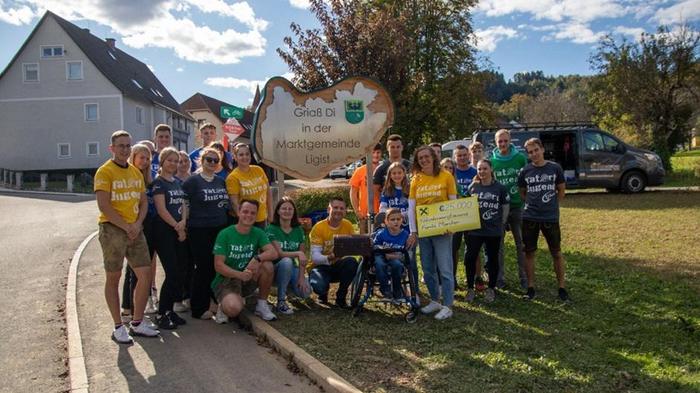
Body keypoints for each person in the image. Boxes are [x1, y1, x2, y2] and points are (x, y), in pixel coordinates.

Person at [95, 130, 159, 344]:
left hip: (135, 229)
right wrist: (126, 226)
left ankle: (138, 322)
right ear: (112, 148)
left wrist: (137, 224)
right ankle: (117, 326)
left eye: (127, 146)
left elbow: (143, 201)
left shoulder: (134, 173)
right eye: (120, 146)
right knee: (113, 278)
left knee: (145, 274)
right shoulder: (104, 172)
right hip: (112, 229)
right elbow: (104, 205)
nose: (124, 149)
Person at [408, 145, 457, 320]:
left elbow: (453, 202)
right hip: (424, 230)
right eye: (420, 158)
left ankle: (448, 305)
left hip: (443, 230)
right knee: (428, 268)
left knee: (445, 269)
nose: (424, 160)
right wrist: (413, 231)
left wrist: (451, 224)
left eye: (426, 157)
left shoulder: (446, 176)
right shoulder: (416, 180)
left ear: (433, 157)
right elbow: (411, 208)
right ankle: (435, 300)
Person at [517, 138, 568, 301]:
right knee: (529, 253)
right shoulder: (525, 171)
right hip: (530, 217)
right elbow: (522, 193)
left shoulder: (555, 168)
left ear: (542, 149)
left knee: (557, 253)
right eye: (530, 152)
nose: (534, 154)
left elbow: (561, 191)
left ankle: (561, 287)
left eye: (536, 150)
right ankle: (530, 287)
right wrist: (533, 204)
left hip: (550, 217)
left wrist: (551, 206)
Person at [182, 147, 230, 319]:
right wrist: (182, 223)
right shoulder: (192, 181)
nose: (211, 163)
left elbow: (226, 203)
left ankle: (213, 303)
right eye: (208, 159)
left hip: (219, 228)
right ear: (201, 161)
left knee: (215, 267)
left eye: (215, 160)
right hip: (198, 229)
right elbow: (182, 202)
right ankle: (198, 307)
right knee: (202, 268)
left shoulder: (220, 181)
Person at [212, 200, 279, 321]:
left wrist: (257, 258)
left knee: (267, 265)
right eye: (245, 211)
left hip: (247, 276)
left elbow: (273, 253)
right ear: (239, 212)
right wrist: (239, 275)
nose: (249, 215)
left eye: (253, 213)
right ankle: (223, 305)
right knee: (233, 309)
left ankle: (261, 305)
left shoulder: (258, 233)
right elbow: (218, 266)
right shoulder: (225, 234)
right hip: (227, 280)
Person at [151, 147, 189, 329]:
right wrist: (176, 225)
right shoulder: (159, 183)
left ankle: (170, 311)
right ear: (162, 161)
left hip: (179, 230)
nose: (173, 164)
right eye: (170, 160)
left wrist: (183, 223)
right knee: (172, 272)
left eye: (176, 161)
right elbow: (161, 209)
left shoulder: (177, 182)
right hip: (164, 232)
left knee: (181, 271)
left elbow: (183, 204)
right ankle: (161, 313)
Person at [121, 144, 158, 320]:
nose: (144, 161)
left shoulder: (150, 180)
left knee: (142, 267)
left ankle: (133, 308)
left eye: (147, 158)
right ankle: (129, 308)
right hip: (134, 226)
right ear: (133, 157)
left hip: (150, 226)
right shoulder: (129, 177)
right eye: (141, 157)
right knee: (133, 270)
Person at [465, 159, 510, 303]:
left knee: (492, 260)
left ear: (491, 169)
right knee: (470, 258)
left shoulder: (500, 188)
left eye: (485, 168)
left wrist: (501, 223)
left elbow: (505, 207)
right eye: (479, 169)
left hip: (493, 231)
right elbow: (465, 205)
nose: (482, 172)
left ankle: (491, 288)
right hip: (474, 231)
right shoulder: (473, 187)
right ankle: (470, 289)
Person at [490, 129, 528, 289]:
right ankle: (499, 279)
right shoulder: (492, 161)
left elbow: (527, 179)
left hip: (517, 206)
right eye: (500, 141)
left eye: (505, 141)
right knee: (498, 245)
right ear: (496, 143)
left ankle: (525, 278)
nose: (503, 144)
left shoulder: (520, 158)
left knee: (522, 244)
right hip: (498, 210)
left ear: (510, 140)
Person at [308, 197, 358, 308]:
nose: (338, 210)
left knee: (352, 262)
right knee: (320, 287)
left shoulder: (348, 225)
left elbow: (354, 246)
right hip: (320, 267)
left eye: (342, 208)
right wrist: (331, 257)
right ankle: (322, 293)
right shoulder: (318, 227)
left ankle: (341, 297)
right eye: (335, 207)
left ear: (345, 211)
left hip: (338, 265)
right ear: (328, 209)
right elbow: (315, 257)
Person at [266, 197, 311, 315]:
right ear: (278, 211)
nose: (287, 211)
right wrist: (298, 253)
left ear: (294, 212)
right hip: (274, 270)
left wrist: (301, 277)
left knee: (305, 293)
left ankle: (289, 291)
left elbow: (302, 258)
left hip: (291, 269)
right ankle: (281, 301)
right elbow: (279, 254)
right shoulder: (271, 229)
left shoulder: (298, 230)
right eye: (284, 208)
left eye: (290, 209)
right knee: (286, 261)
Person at [226, 143, 273, 227]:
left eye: (247, 154)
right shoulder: (232, 177)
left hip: (262, 218)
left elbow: (268, 193)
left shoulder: (259, 170)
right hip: (246, 221)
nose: (245, 157)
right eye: (241, 155)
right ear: (235, 157)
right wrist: (244, 222)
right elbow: (234, 204)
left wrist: (270, 215)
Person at [451, 145, 477, 286]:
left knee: (473, 249)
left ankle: (474, 278)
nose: (462, 157)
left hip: (471, 215)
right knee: (453, 249)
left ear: (469, 155)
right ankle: (453, 278)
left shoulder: (475, 172)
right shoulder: (450, 173)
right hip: (454, 216)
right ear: (455, 158)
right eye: (459, 155)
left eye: (464, 155)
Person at [372, 208, 409, 300]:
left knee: (397, 265)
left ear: (402, 220)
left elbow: (405, 254)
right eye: (392, 220)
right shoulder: (381, 234)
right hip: (381, 255)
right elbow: (375, 247)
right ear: (386, 221)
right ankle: (385, 289)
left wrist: (392, 256)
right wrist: (384, 254)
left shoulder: (405, 235)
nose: (396, 222)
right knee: (379, 263)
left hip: (396, 257)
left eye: (398, 219)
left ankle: (397, 290)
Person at [349, 143, 382, 234]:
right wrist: (357, 211)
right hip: (365, 213)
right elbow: (353, 192)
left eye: (378, 152)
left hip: (381, 211)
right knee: (364, 241)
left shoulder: (385, 169)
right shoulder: (360, 171)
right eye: (373, 152)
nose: (375, 155)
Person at [372, 134, 412, 198]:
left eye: (398, 147)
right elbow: (375, 190)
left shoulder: (410, 166)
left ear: (402, 147)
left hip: (409, 205)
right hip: (389, 206)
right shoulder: (380, 168)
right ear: (387, 148)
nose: (395, 149)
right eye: (392, 147)